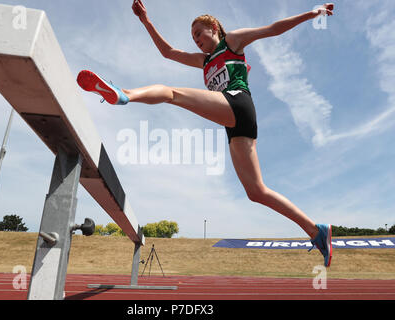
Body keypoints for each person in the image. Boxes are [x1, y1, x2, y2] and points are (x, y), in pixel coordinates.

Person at [77, 1, 335, 267]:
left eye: (199, 33)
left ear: (214, 28)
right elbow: (168, 52)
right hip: (235, 123)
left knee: (172, 93)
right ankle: (316, 231)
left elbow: (272, 28)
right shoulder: (203, 61)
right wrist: (146, 21)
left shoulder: (232, 41)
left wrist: (313, 13)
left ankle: (124, 94)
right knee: (256, 191)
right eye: (193, 37)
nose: (196, 41)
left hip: (238, 104)